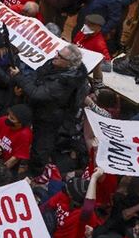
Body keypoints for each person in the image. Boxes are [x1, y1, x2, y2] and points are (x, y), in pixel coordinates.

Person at [10, 45, 88, 178]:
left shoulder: (66, 82)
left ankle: (34, 175)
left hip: (49, 117)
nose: (55, 56)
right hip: (35, 108)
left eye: (60, 56)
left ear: (69, 63)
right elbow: (37, 75)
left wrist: (19, 77)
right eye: (58, 52)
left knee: (41, 147)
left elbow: (37, 93)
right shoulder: (53, 64)